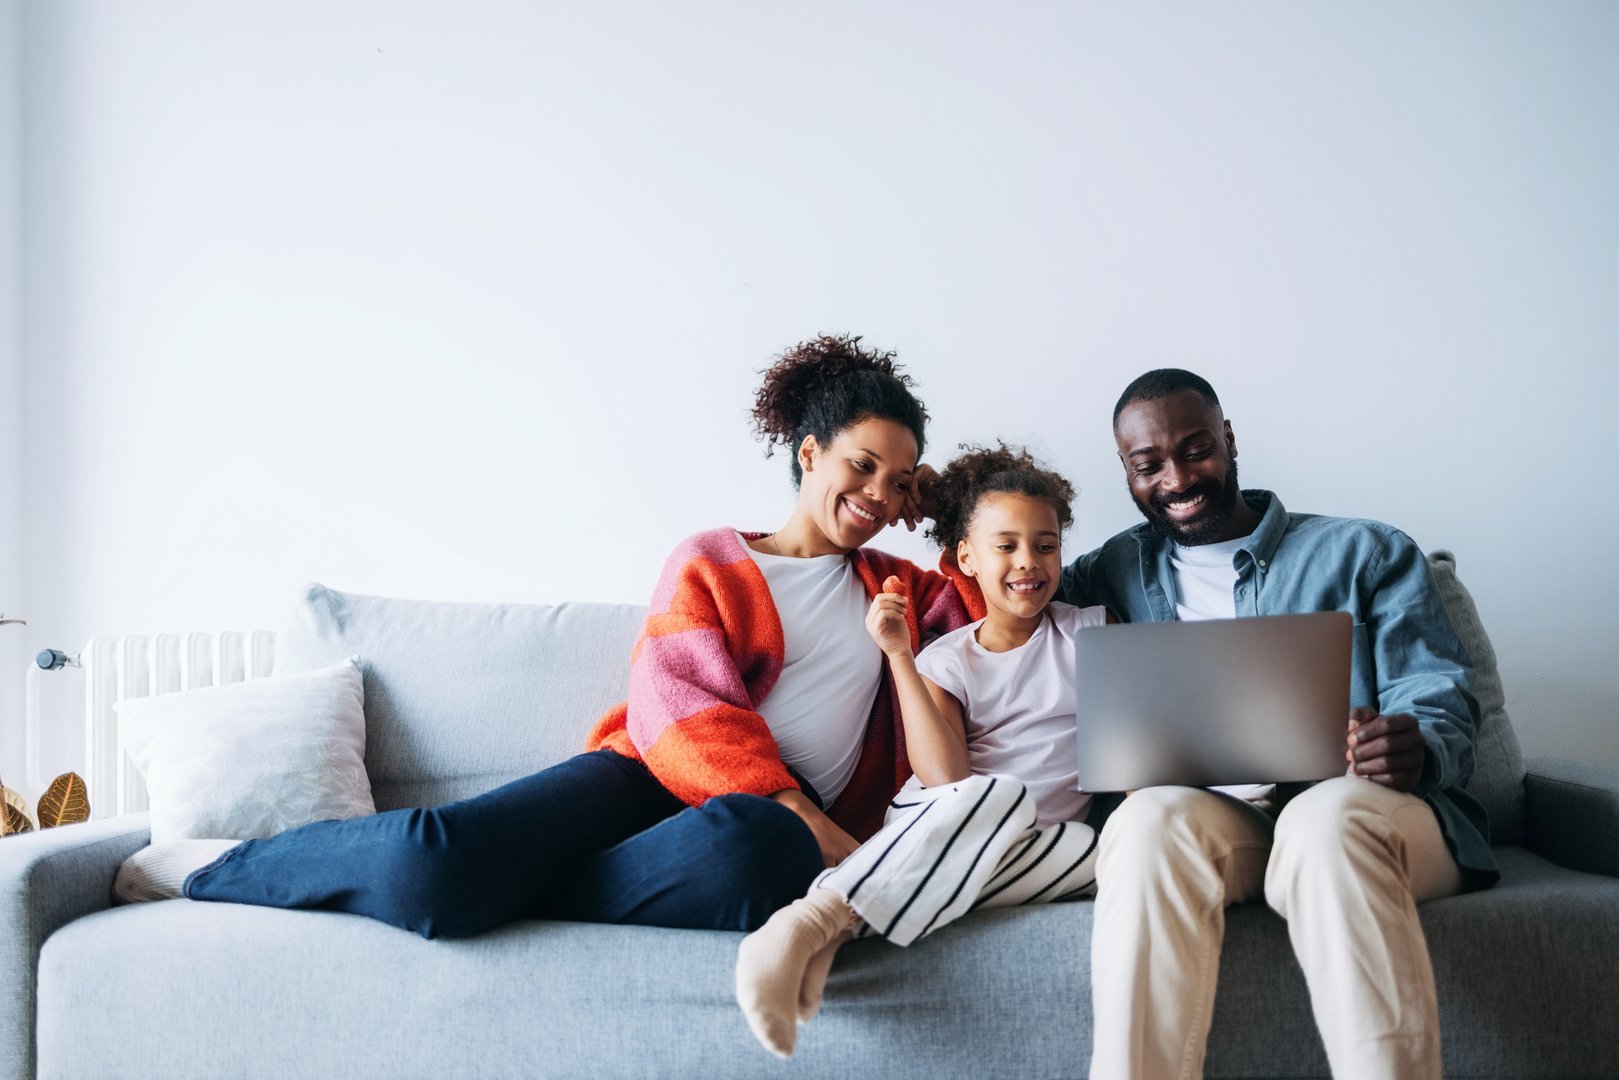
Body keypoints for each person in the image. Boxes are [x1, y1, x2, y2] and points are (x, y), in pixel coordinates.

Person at [113, 334, 970, 937]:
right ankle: (210, 869)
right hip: (647, 783)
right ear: (810, 452)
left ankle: (507, 892)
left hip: (755, 831)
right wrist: (786, 801)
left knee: (756, 852)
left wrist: (946, 508)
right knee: (434, 867)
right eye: (862, 464)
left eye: (898, 483)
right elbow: (678, 708)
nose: (877, 494)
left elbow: (994, 599)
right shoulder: (712, 560)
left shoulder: (902, 589)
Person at [1069, 369, 1495, 1080]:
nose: (1176, 478)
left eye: (1196, 449)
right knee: (1141, 823)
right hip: (1223, 828)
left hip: (1365, 817)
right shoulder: (1107, 572)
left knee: (1321, 821)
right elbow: (998, 594)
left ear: (1229, 440)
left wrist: (1416, 743)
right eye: (1148, 465)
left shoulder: (1364, 551)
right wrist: (948, 504)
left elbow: (1437, 691)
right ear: (1126, 471)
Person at [734, 443, 1110, 1058]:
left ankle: (843, 919)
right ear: (967, 557)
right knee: (1002, 795)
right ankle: (809, 922)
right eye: (1006, 545)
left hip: (1040, 842)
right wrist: (900, 655)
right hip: (945, 816)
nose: (1029, 562)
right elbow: (944, 776)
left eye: (1046, 545)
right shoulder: (947, 657)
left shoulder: (1090, 632)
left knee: (1107, 855)